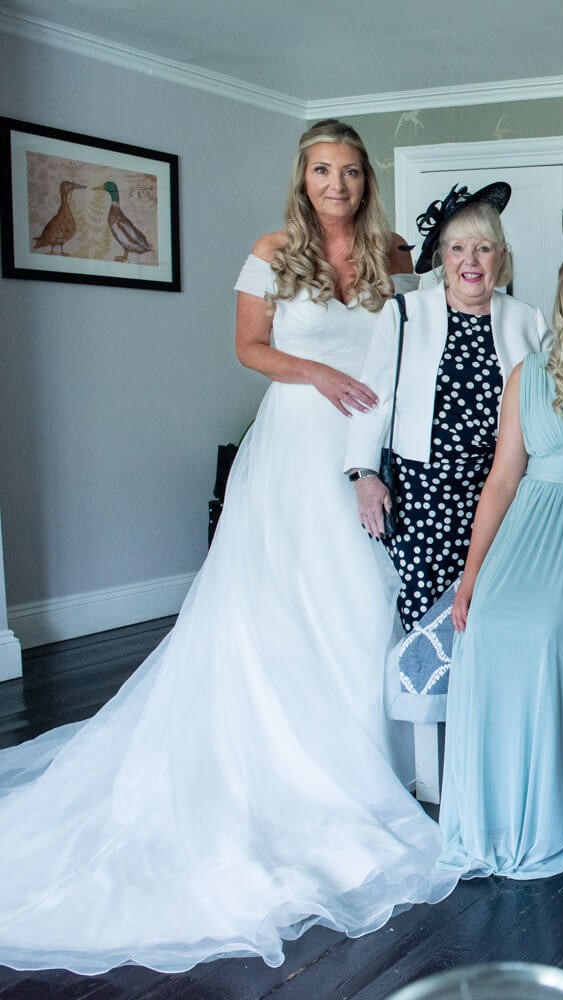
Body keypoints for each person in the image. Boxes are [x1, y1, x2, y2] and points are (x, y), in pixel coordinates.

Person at [0, 119, 459, 974]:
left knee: (365, 599)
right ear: (303, 178)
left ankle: (374, 757)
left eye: (350, 171)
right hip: (295, 441)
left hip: (365, 444)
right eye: (322, 170)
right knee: (284, 599)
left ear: (367, 179)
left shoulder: (393, 253)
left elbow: (418, 339)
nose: (336, 184)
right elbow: (248, 348)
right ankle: (294, 763)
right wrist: (318, 373)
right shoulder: (272, 250)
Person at [435, 247, 563, 879]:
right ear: (562, 302)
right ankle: (489, 813)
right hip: (526, 527)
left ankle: (546, 812)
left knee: (550, 628)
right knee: (487, 625)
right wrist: (471, 576)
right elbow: (501, 480)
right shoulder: (528, 375)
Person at [345, 182, 549, 630]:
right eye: (458, 248)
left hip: (501, 488)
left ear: (502, 256)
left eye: (483, 249)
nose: (470, 261)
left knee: (491, 605)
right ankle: (423, 678)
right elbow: (372, 399)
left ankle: (477, 679)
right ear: (442, 256)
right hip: (423, 491)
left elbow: (558, 392)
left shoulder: (528, 320)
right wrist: (363, 475)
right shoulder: (404, 312)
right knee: (424, 608)